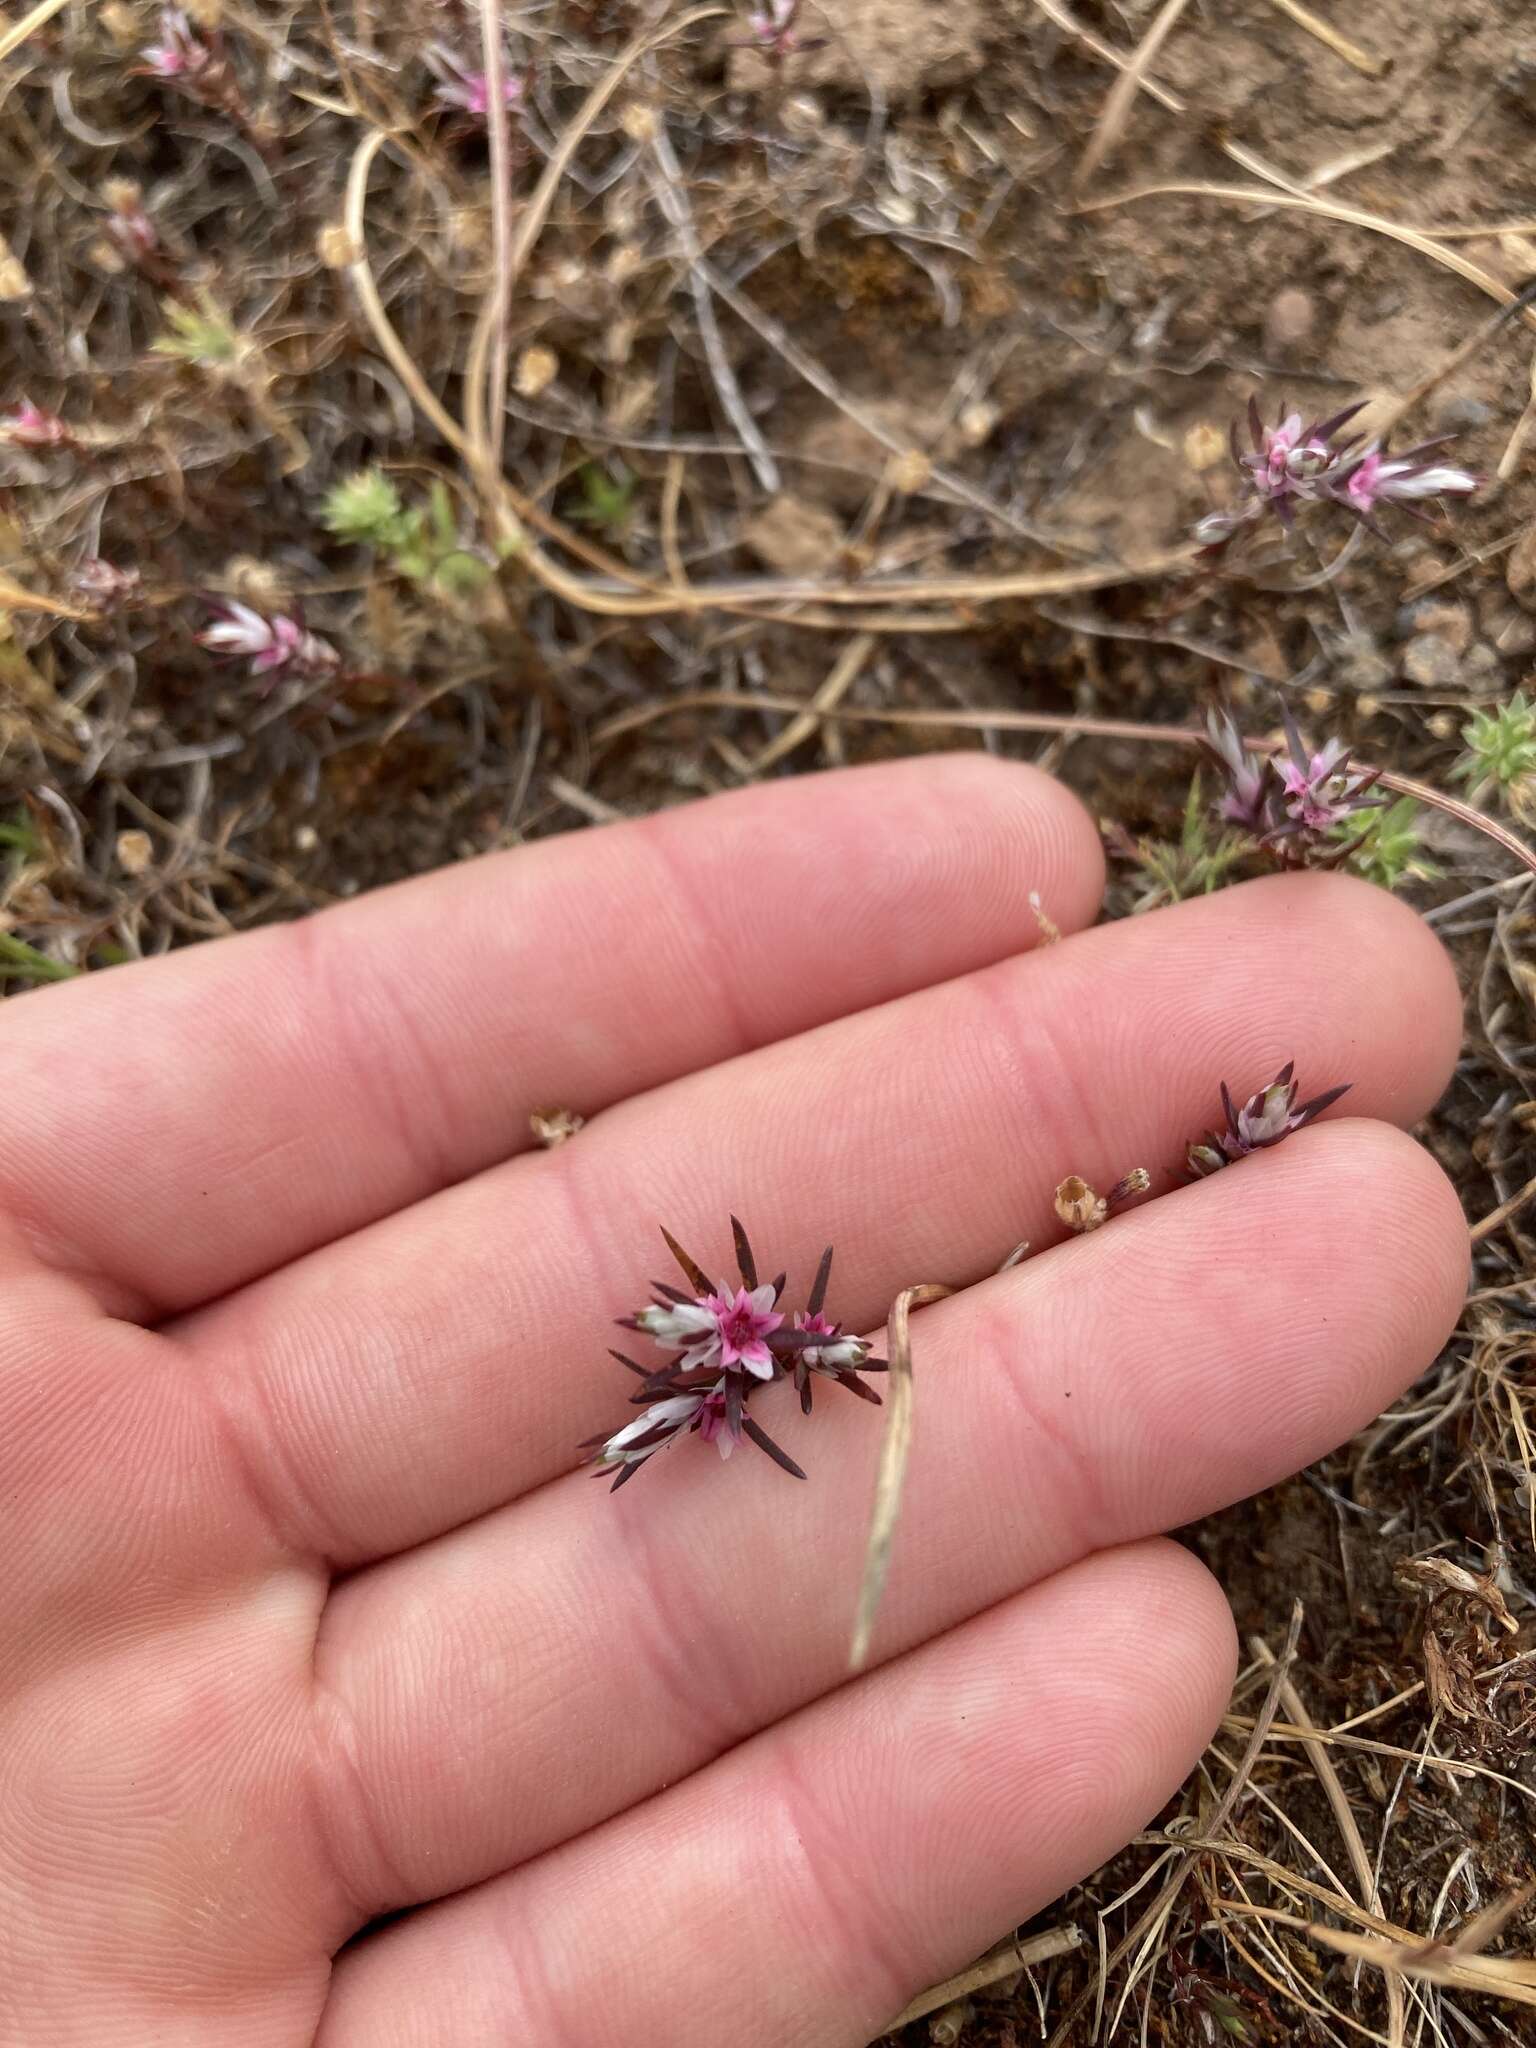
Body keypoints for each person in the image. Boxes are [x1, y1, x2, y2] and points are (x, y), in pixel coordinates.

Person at [0, 755, 1468, 2047]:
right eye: (745, 1333)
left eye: (752, 1330)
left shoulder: (767, 1350)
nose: (751, 1332)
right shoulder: (737, 1360)